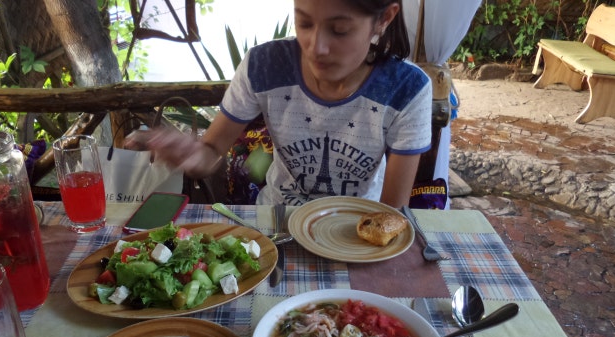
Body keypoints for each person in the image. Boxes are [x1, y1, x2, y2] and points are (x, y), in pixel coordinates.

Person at [125, 0, 431, 208]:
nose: (316, 48)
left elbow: (392, 213)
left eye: (340, 30)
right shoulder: (264, 65)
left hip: (357, 230)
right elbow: (211, 154)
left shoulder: (407, 89)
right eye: (304, 23)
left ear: (384, 18)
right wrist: (191, 154)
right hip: (275, 222)